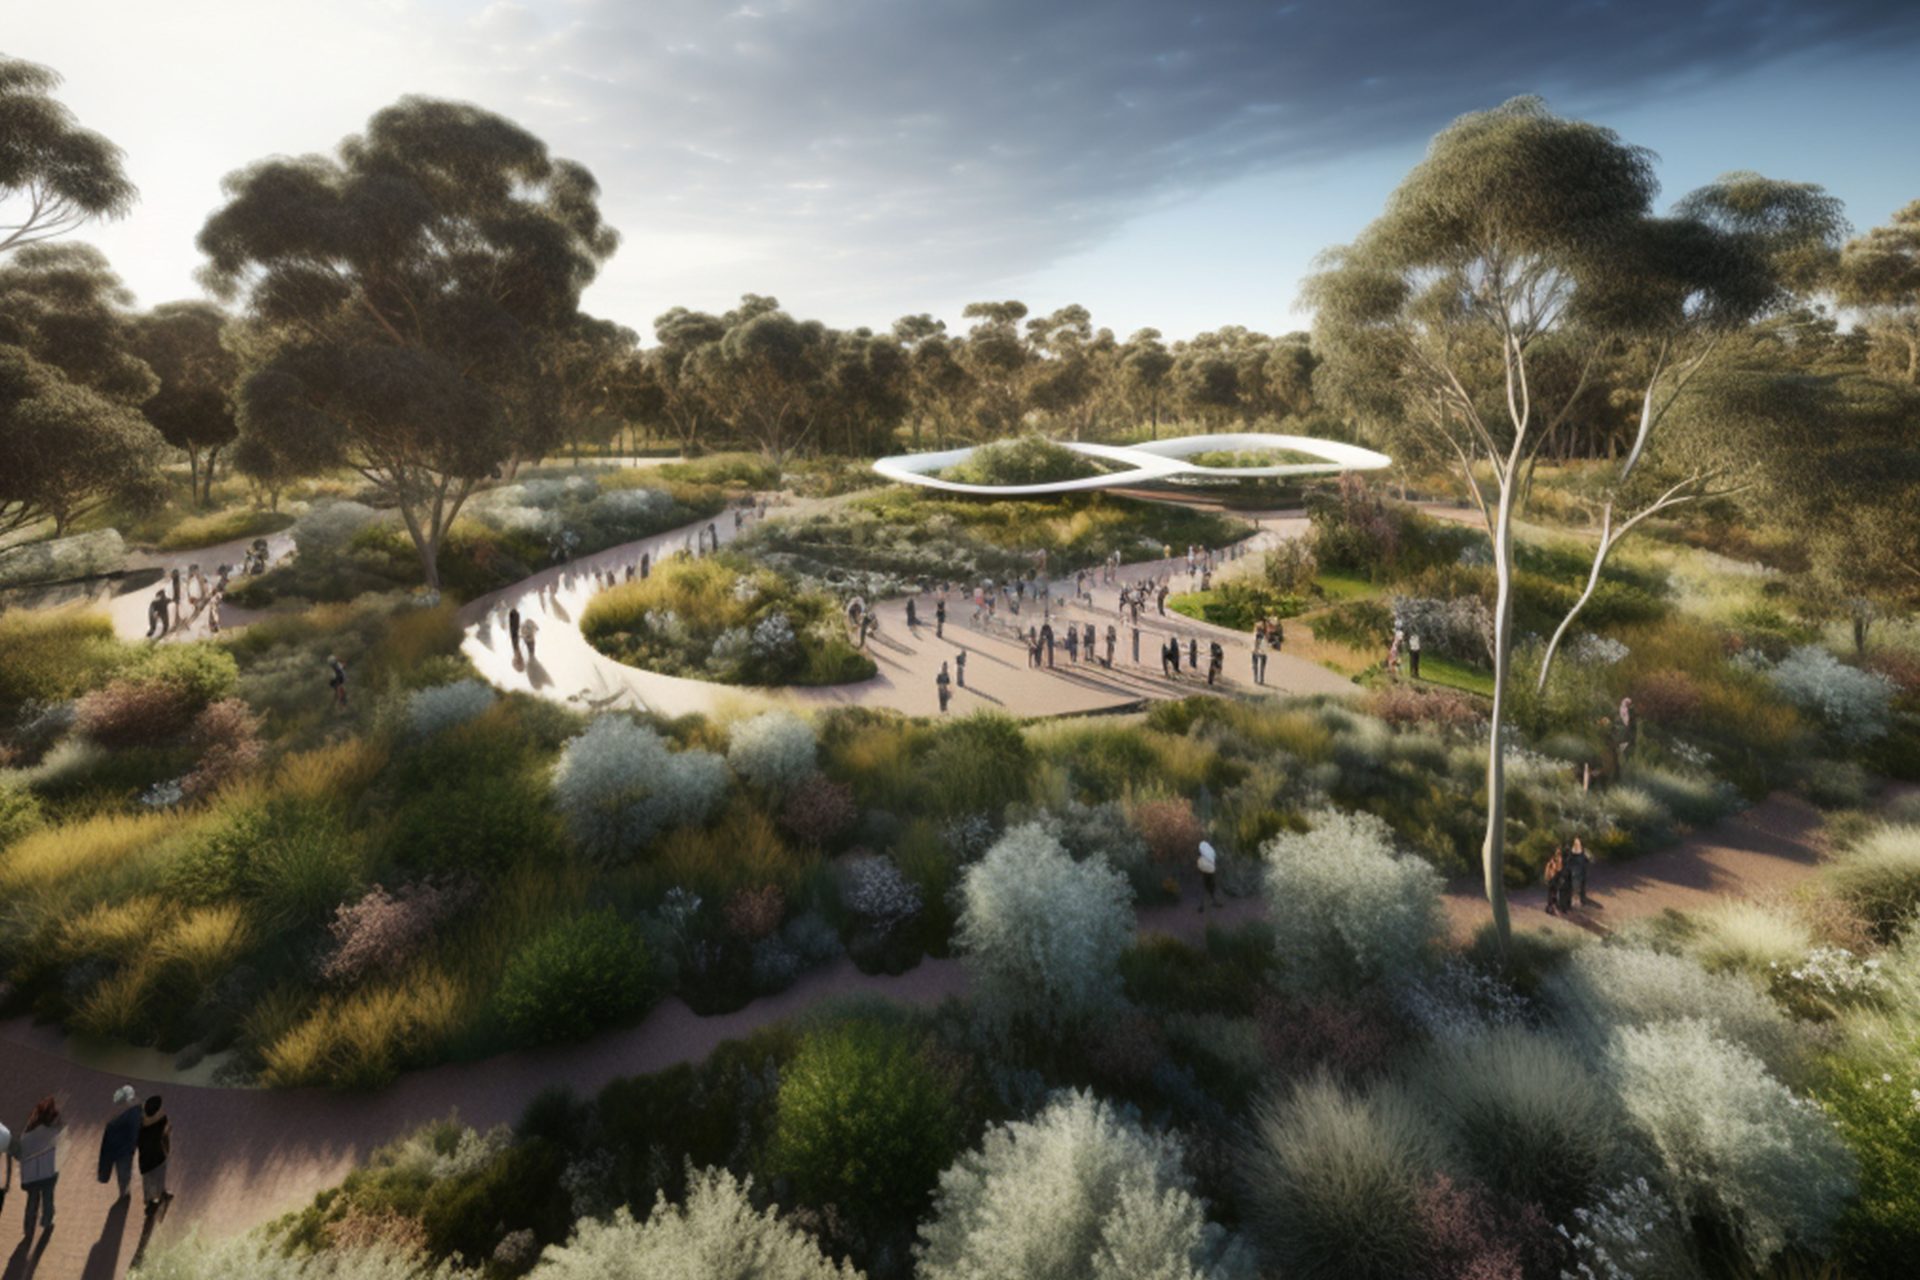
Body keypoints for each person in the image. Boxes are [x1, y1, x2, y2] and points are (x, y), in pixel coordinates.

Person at [19, 1096, 61, 1234]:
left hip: (32, 1176)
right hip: (48, 1173)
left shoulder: (27, 1135)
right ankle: (46, 1221)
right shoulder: (52, 1132)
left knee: (32, 1202)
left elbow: (22, 1154)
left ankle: (28, 1227)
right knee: (48, 1199)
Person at [99, 1086, 141, 1200]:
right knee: (124, 1171)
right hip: (126, 1149)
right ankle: (124, 1191)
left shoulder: (117, 1120)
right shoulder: (136, 1112)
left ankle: (124, 1192)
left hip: (122, 1149)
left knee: (123, 1171)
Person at [136, 1096, 171, 1219]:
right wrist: (167, 1152)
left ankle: (151, 1205)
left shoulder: (139, 1127)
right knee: (159, 1182)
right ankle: (163, 1196)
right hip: (160, 1156)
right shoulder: (163, 1120)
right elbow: (166, 1136)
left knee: (148, 1185)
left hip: (146, 1161)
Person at [1195, 840, 1223, 912]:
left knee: (1208, 887)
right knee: (1209, 887)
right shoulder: (1209, 853)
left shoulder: (1203, 855)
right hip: (1208, 872)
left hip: (1206, 872)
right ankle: (1205, 904)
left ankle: (1204, 905)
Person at [1567, 836, 1592, 907]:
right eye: (1576, 842)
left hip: (1582, 871)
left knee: (1581, 886)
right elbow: (1567, 861)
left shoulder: (1585, 851)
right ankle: (1572, 900)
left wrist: (1588, 858)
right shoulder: (1570, 851)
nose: (1577, 843)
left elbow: (1591, 860)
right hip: (1573, 872)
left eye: (1578, 842)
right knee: (1573, 886)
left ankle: (1581, 900)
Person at [1543, 844, 1565, 917]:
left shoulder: (1559, 859)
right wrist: (1547, 877)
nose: (1558, 852)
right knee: (1551, 893)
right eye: (1557, 851)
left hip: (1556, 877)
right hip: (1552, 878)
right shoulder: (1552, 860)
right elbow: (1548, 869)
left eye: (1559, 851)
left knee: (1554, 893)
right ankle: (1550, 908)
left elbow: (1560, 869)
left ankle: (1552, 907)